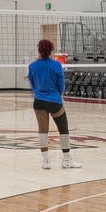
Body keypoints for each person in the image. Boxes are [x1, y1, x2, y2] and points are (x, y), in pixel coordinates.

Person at [29, 39, 80, 170]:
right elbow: (61, 84)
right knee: (63, 129)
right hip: (54, 100)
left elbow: (32, 83)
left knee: (42, 131)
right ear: (51, 50)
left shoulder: (32, 66)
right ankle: (66, 160)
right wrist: (59, 94)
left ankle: (46, 162)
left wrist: (38, 92)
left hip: (39, 101)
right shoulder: (56, 65)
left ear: (39, 50)